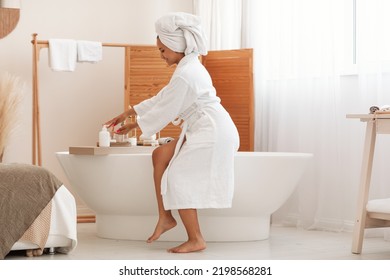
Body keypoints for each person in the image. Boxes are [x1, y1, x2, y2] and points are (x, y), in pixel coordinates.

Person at [105, 12, 239, 253]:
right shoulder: (187, 68)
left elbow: (167, 108)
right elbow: (165, 97)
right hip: (203, 127)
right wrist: (129, 112)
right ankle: (165, 217)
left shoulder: (188, 74)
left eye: (163, 50)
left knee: (178, 178)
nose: (161, 55)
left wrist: (134, 125)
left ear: (177, 47)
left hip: (212, 131)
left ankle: (196, 238)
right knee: (160, 155)